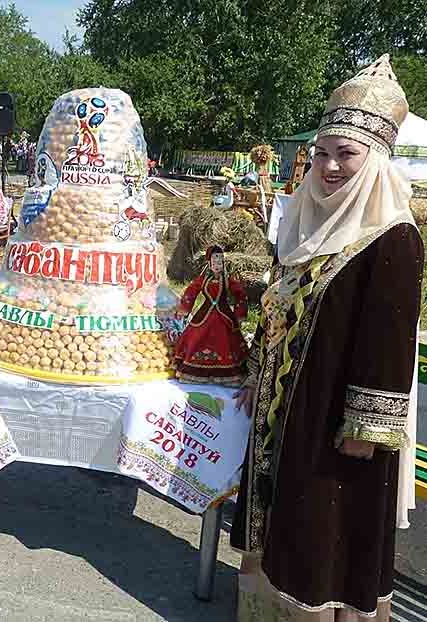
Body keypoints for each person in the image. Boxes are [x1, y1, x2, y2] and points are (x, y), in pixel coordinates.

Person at [231, 54, 423, 620]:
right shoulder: (306, 225)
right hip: (287, 411)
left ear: (376, 160)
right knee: (283, 527)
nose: (330, 167)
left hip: (337, 427)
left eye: (347, 154)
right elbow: (282, 309)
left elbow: (389, 345)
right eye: (321, 153)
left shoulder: (392, 238)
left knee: (326, 540)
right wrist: (256, 372)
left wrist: (365, 430)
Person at [174, 246, 248, 385]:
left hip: (223, 315)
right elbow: (191, 291)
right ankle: (194, 370)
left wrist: (239, 313)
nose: (217, 266)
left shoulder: (228, 280)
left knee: (227, 342)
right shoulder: (203, 280)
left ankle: (227, 373)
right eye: (214, 263)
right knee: (196, 338)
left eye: (220, 263)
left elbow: (240, 294)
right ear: (209, 264)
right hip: (204, 315)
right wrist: (185, 307)